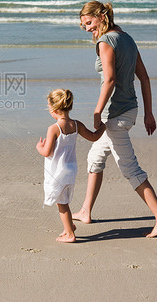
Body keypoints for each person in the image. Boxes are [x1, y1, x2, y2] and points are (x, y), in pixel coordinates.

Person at [72, 1, 157, 238]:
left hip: (114, 114)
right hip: (130, 110)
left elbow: (109, 80)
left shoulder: (105, 42)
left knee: (130, 168)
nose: (87, 28)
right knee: (95, 157)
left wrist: (97, 112)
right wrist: (149, 113)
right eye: (83, 25)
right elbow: (145, 78)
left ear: (101, 16)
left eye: (89, 22)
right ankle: (86, 210)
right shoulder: (127, 38)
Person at [36, 88, 105, 243]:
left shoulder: (53, 129)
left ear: (54, 108)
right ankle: (70, 226)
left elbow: (47, 152)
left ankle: (69, 234)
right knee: (64, 200)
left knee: (62, 204)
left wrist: (39, 147)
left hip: (58, 172)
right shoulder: (76, 124)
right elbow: (93, 137)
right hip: (71, 170)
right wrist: (104, 127)